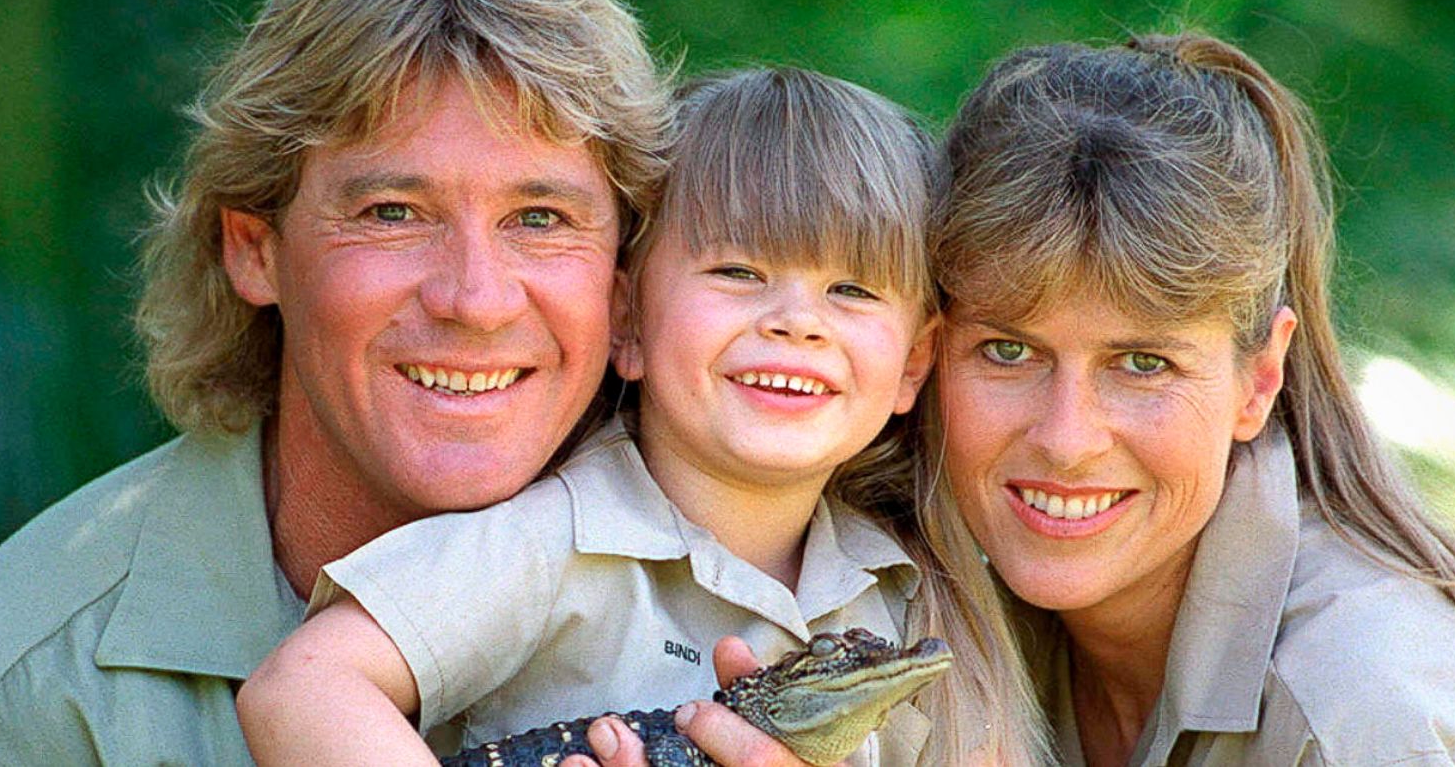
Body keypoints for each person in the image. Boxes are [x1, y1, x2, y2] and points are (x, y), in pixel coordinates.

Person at [0, 0, 670, 765]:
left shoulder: (784, 606)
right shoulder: (8, 703)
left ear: (624, 285)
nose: (476, 299)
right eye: (392, 212)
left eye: (540, 218)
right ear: (257, 251)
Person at [236, 67, 1051, 767]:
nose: (797, 322)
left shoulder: (908, 598)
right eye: (737, 270)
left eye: (852, 289)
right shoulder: (548, 541)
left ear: (914, 361)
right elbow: (301, 688)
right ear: (625, 320)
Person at [923, 32, 1455, 764]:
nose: (1066, 438)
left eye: (1143, 364)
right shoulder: (929, 616)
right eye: (1009, 351)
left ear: (1260, 380)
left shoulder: (1366, 713)